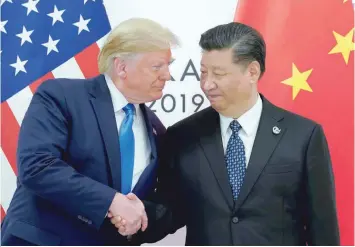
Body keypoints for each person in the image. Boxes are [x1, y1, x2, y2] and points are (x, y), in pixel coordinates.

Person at [113, 21, 340, 245]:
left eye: (218, 74)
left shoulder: (303, 136)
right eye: (203, 73)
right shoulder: (183, 135)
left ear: (252, 71)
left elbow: (322, 227)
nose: (207, 84)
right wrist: (136, 217)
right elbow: (170, 209)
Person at [1, 18, 178, 246]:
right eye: (157, 66)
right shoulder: (61, 96)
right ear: (122, 66)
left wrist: (138, 215)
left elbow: (156, 202)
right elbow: (37, 165)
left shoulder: (156, 129)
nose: (167, 75)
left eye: (168, 65)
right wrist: (111, 202)